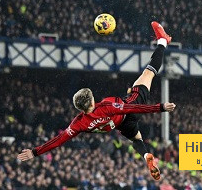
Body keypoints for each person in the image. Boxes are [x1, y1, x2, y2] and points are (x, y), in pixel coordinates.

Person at [17, 21, 174, 181]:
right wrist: (160, 107)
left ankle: (146, 154)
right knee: (149, 72)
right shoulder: (106, 105)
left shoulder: (79, 123)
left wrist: (35, 152)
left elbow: (58, 140)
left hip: (121, 125)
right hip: (130, 108)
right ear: (92, 100)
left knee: (136, 139)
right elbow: (131, 108)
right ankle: (162, 41)